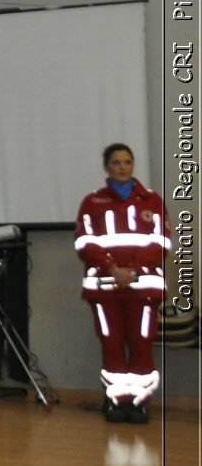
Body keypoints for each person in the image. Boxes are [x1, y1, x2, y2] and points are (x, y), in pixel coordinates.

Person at [75, 143, 171, 423]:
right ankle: (117, 401)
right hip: (104, 288)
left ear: (133, 165)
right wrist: (112, 269)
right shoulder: (92, 202)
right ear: (107, 166)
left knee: (141, 342)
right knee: (112, 342)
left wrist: (135, 270)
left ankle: (139, 402)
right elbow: (84, 242)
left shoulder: (152, 200)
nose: (122, 167)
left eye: (127, 162)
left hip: (144, 288)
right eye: (116, 162)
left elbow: (161, 242)